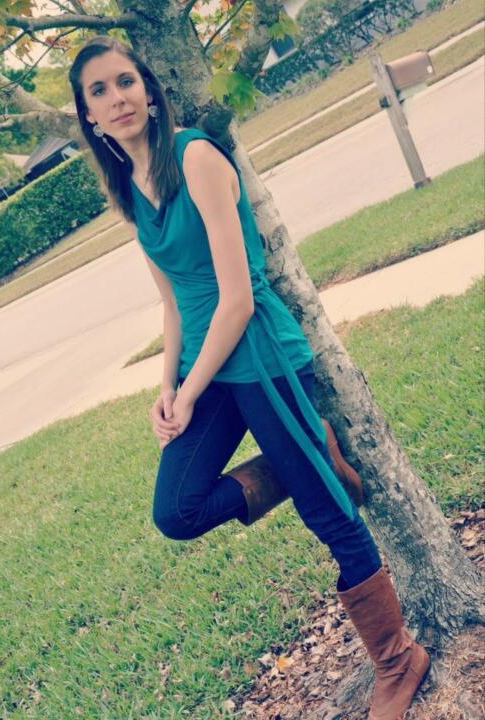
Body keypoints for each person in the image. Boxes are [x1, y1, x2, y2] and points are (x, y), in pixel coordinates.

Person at [68, 35, 431, 720]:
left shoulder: (195, 157)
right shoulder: (130, 189)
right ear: (87, 115)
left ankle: (397, 659)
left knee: (330, 514)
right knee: (177, 510)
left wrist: (191, 390)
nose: (117, 98)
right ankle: (308, 455)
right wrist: (168, 387)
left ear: (150, 91)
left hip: (260, 358)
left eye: (125, 82)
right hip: (207, 370)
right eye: (99, 91)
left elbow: (236, 298)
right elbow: (172, 302)